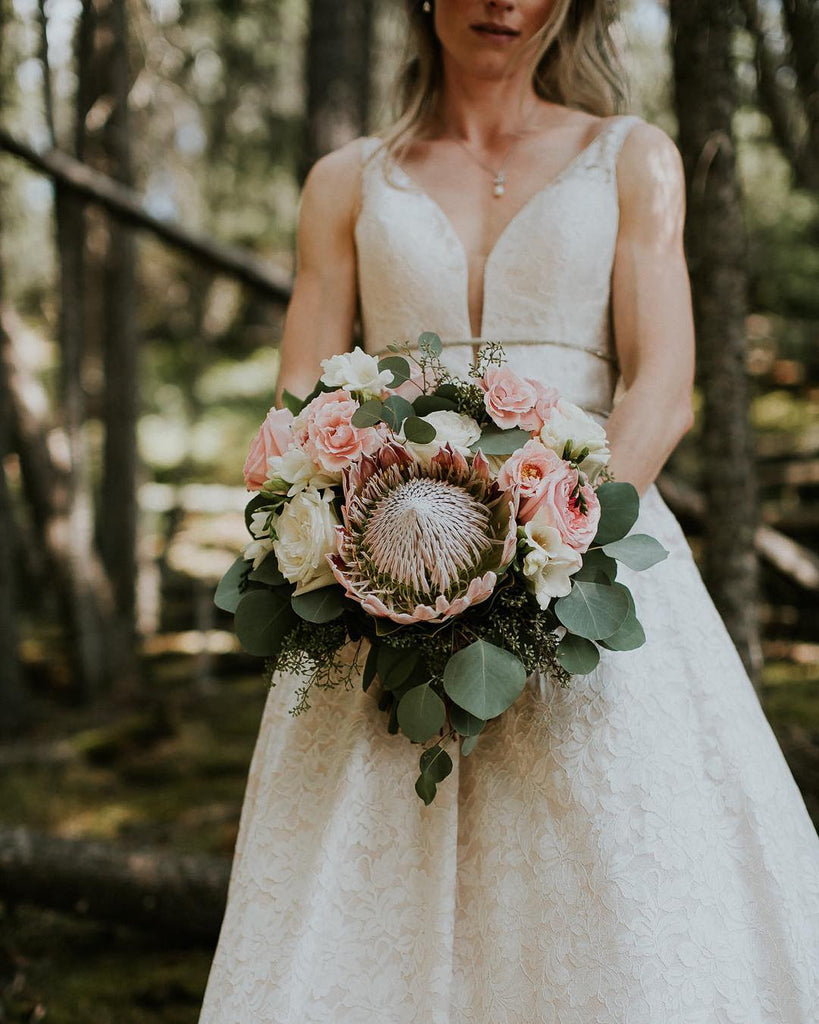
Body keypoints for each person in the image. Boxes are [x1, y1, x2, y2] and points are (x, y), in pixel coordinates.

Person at [198, 1, 819, 1020]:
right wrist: (363, 528)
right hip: (381, 562)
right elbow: (298, 397)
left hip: (589, 554)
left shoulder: (633, 158)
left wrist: (555, 536)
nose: (503, 1)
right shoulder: (344, 182)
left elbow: (663, 383)